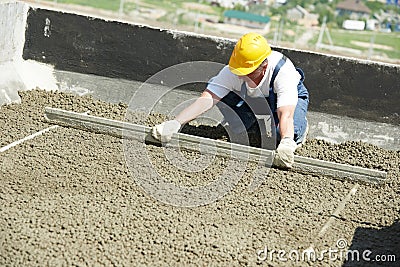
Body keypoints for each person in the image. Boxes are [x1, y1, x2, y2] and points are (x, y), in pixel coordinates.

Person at [152, 32, 309, 169]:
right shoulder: (233, 71)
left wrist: (287, 142)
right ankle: (250, 126)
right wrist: (176, 123)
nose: (241, 76)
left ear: (264, 66)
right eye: (239, 71)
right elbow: (206, 99)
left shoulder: (282, 72)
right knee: (220, 90)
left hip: (282, 104)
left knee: (279, 135)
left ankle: (297, 133)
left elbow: (285, 114)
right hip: (255, 100)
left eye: (248, 73)